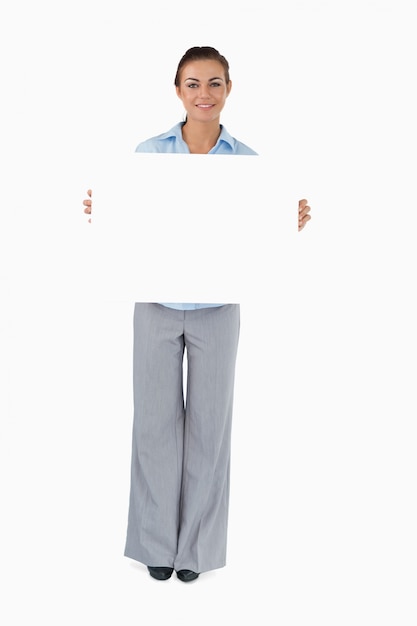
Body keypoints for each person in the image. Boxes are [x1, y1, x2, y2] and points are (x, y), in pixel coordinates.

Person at [83, 46, 311, 583]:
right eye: (192, 84)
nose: (203, 94)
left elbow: (258, 237)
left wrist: (287, 222)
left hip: (217, 307)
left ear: (229, 88)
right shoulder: (146, 152)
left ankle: (197, 552)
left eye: (214, 83)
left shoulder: (249, 162)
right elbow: (130, 225)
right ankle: (157, 544)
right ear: (177, 89)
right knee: (154, 428)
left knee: (211, 430)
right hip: (156, 302)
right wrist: (105, 211)